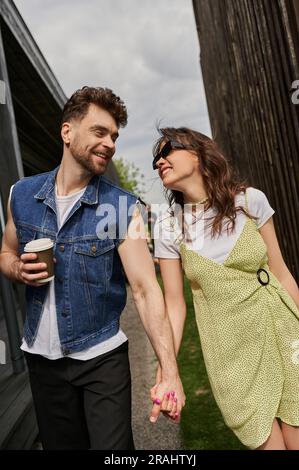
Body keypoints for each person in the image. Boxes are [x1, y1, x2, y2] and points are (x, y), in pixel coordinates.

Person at [0, 87, 185, 450]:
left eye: (114, 136)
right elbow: (5, 252)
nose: (110, 143)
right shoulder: (20, 195)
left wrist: (170, 372)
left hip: (102, 361)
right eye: (99, 132)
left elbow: (146, 290)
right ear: (67, 132)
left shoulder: (120, 207)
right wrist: (17, 269)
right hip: (42, 362)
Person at [151, 127, 299, 450]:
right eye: (155, 159)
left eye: (167, 150)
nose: (159, 161)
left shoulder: (249, 201)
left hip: (281, 328)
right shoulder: (167, 226)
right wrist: (167, 371)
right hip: (230, 351)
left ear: (199, 153)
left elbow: (281, 273)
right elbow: (175, 306)